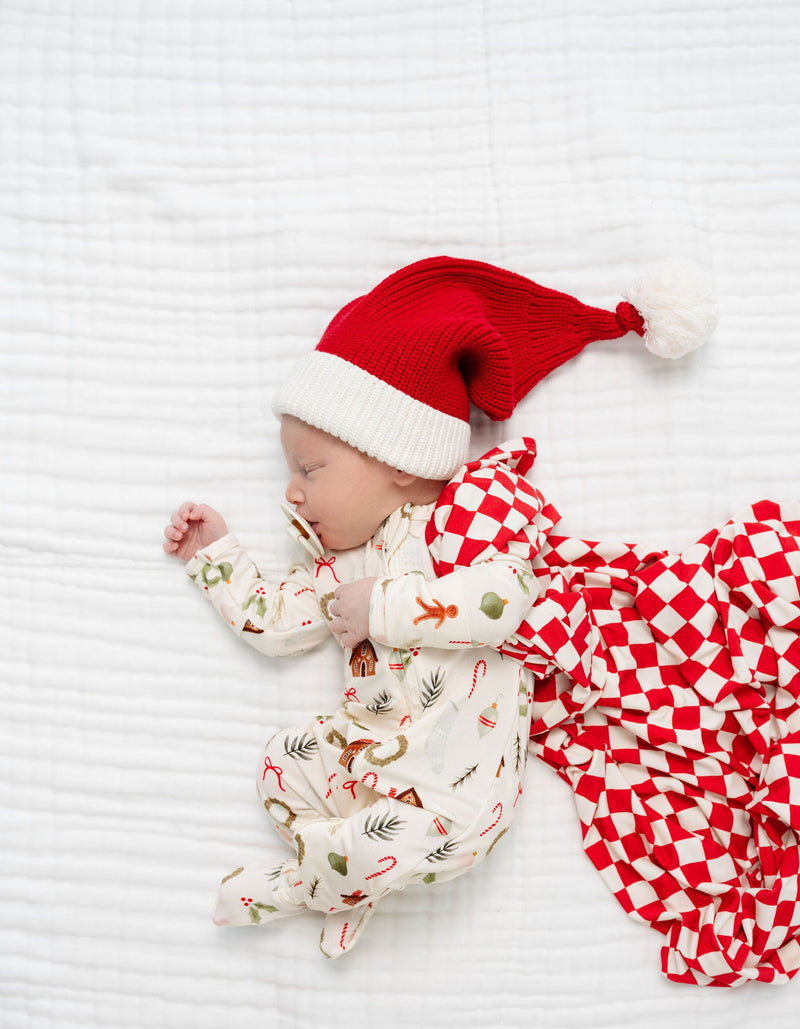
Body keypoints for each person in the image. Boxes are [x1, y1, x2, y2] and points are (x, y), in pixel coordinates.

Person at [163, 256, 715, 957]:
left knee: (400, 841)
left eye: (310, 470)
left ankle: (314, 881)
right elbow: (276, 626)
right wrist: (216, 559)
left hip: (456, 792)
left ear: (395, 459)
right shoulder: (338, 565)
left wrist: (384, 608)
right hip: (368, 759)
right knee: (282, 762)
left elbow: (503, 602)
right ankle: (344, 876)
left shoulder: (466, 521)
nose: (292, 493)